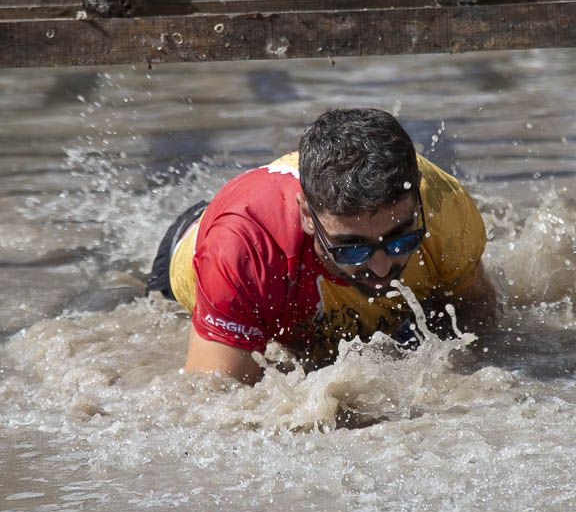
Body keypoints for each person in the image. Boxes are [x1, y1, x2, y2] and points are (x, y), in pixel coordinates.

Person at [147, 108, 497, 384]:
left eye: (400, 239)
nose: (380, 267)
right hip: (198, 247)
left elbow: (476, 312)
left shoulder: (443, 204)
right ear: (307, 216)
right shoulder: (243, 251)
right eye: (351, 248)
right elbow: (220, 407)